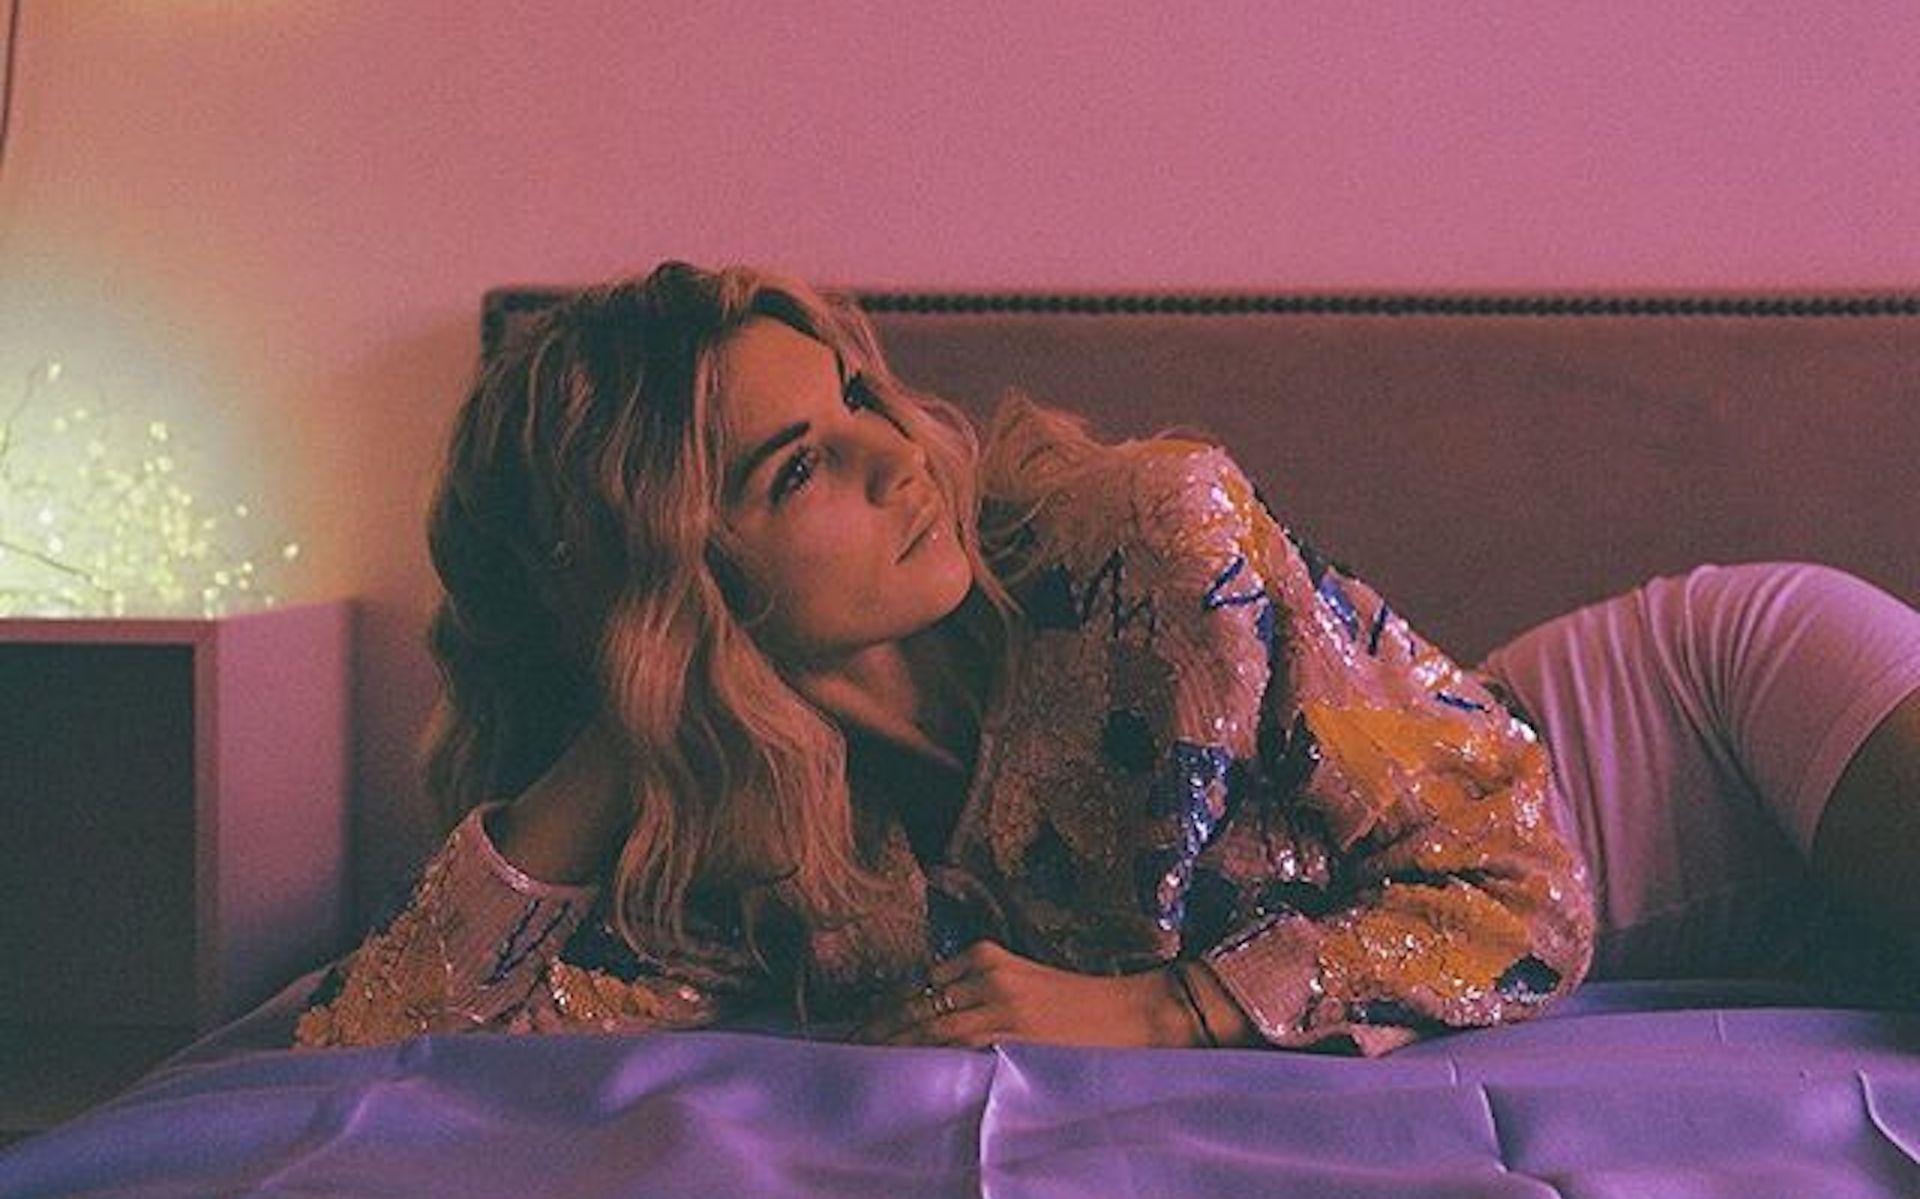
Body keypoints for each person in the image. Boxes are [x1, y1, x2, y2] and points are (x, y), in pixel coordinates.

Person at [295, 262, 1920, 1054]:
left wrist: (1156, 1012)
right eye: (798, 470)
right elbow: (373, 1054)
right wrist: (625, 711)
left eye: (856, 396)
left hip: (1691, 742)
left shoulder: (1147, 544)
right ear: (671, 577)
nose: (896, 454)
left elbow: (1527, 883)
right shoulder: (756, 842)